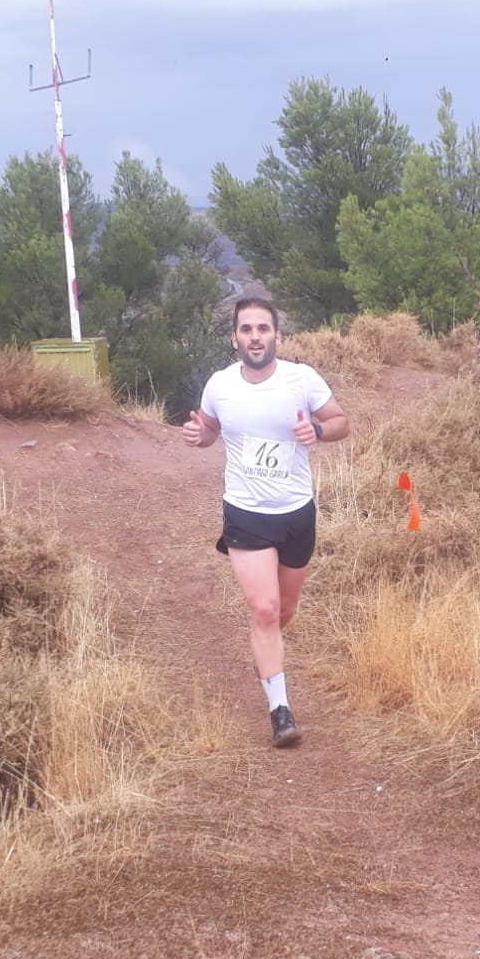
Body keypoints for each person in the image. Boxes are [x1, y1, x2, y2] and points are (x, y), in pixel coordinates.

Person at [182, 297, 350, 748]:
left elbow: (340, 422)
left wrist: (316, 432)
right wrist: (200, 437)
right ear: (234, 337)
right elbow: (211, 429)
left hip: (296, 512)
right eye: (246, 329)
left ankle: (266, 652)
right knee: (265, 609)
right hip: (245, 512)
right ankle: (280, 710)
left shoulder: (302, 379)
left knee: (284, 611)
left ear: (277, 336)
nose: (255, 336)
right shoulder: (219, 385)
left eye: (263, 328)